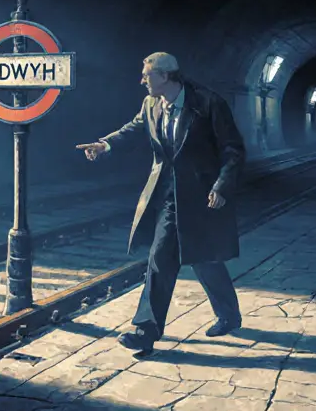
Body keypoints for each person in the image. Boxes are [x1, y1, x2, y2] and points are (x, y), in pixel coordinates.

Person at [75, 52, 246, 356]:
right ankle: (145, 331)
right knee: (160, 257)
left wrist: (221, 185)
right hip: (170, 196)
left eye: (147, 75)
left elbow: (232, 149)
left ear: (166, 76)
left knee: (204, 259)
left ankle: (229, 314)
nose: (142, 80)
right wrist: (105, 145)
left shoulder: (208, 103)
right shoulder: (151, 104)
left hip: (202, 195)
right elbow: (133, 128)